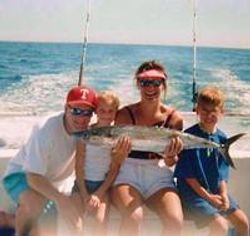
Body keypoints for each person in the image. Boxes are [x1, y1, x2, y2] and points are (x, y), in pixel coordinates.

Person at [1, 85, 98, 236]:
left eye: (87, 113)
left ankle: (9, 220)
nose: (81, 118)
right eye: (76, 111)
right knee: (35, 205)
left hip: (55, 182)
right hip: (23, 175)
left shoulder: (90, 132)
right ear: (66, 108)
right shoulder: (45, 130)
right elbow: (33, 177)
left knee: (52, 231)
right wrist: (61, 200)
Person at [111, 60, 184, 236]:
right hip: (127, 171)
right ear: (138, 84)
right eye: (145, 82)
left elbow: (171, 162)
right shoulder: (124, 115)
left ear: (163, 85)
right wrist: (119, 154)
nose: (150, 88)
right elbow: (115, 159)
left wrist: (170, 156)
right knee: (133, 217)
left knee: (175, 221)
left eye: (156, 82)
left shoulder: (175, 119)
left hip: (158, 174)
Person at [174, 86, 249, 236]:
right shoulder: (187, 137)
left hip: (215, 191)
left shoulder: (222, 139)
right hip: (192, 193)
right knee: (220, 226)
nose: (209, 115)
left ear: (221, 112)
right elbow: (188, 177)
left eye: (213, 111)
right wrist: (209, 198)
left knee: (243, 223)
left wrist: (224, 196)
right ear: (197, 111)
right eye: (205, 110)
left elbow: (222, 175)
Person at [72, 90, 130, 236]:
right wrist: (85, 195)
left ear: (116, 112)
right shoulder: (85, 134)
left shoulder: (118, 138)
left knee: (99, 222)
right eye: (102, 110)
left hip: (103, 187)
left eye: (110, 111)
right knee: (75, 223)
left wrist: (98, 194)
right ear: (96, 112)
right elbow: (78, 166)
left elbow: (114, 169)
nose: (106, 115)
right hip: (80, 186)